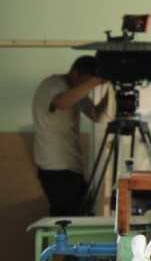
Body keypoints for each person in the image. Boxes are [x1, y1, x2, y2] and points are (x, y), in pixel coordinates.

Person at [32, 55, 109, 216]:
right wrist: (93, 82)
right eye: (85, 82)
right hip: (55, 167)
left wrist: (110, 91)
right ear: (75, 73)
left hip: (70, 166)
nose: (86, 88)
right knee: (68, 218)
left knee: (78, 214)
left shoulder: (74, 89)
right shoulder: (53, 85)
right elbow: (61, 103)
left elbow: (96, 115)